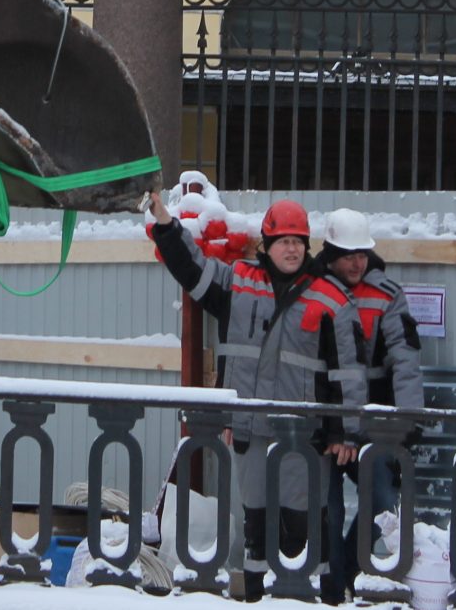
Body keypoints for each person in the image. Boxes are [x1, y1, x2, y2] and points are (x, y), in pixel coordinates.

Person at [147, 190, 365, 602]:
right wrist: (164, 224)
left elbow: (349, 372)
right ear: (266, 245)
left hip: (305, 438)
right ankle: (256, 598)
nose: (291, 249)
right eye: (283, 241)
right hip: (250, 432)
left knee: (302, 524)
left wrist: (346, 432)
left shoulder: (330, 299)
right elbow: (191, 268)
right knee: (256, 523)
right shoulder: (239, 282)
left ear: (307, 246)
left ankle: (304, 598)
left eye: (298, 242)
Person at [317, 208, 423, 603]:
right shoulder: (313, 290)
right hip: (327, 420)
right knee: (326, 508)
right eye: (348, 254)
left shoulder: (387, 294)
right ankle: (331, 588)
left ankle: (343, 572)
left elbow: (405, 358)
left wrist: (408, 419)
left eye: (362, 253)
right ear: (330, 253)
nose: (357, 262)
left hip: (375, 420)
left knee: (381, 503)